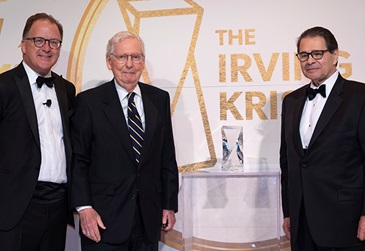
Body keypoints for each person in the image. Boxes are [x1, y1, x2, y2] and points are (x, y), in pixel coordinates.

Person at [70, 31, 179, 251]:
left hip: (148, 218)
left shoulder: (159, 99)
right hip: (103, 221)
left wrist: (169, 204)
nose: (129, 64)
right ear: (109, 62)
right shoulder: (89, 102)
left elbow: (167, 156)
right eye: (122, 57)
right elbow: (78, 160)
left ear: (143, 62)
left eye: (135, 57)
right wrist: (84, 208)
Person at [280, 26, 365, 250]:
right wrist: (288, 212)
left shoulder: (359, 96)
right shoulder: (291, 101)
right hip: (302, 220)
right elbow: (287, 163)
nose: (310, 61)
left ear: (335, 55)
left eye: (318, 53)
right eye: (304, 55)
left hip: (346, 221)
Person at [0, 13, 75, 251]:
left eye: (54, 42)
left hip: (58, 205)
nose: (47, 48)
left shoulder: (67, 90)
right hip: (16, 208)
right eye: (39, 41)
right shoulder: (3, 86)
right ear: (23, 45)